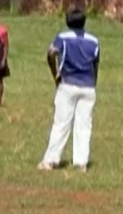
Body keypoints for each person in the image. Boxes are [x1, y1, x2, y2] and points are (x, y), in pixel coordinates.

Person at [40, 9, 100, 171]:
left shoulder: (63, 37)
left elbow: (51, 53)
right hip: (88, 86)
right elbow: (96, 63)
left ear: (68, 22)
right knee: (84, 125)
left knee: (61, 123)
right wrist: (93, 82)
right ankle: (81, 162)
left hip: (68, 83)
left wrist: (55, 73)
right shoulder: (94, 40)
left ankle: (51, 160)